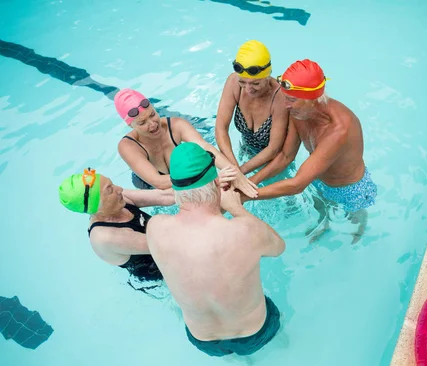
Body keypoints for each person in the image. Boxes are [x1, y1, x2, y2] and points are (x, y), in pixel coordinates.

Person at [146, 142, 285, 357]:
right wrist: (236, 208)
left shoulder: (155, 228)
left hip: (202, 338)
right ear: (215, 181)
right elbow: (278, 247)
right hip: (253, 332)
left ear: (175, 188)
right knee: (279, 341)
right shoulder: (244, 231)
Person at [243, 59, 377, 243]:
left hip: (350, 188)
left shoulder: (339, 129)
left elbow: (298, 184)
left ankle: (360, 227)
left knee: (354, 218)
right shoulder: (298, 112)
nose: (285, 105)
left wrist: (243, 196)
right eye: (285, 98)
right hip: (318, 179)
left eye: (291, 99)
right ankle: (325, 225)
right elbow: (285, 156)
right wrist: (247, 183)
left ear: (312, 99)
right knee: (321, 209)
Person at [115, 88, 258, 198]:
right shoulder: (128, 146)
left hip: (185, 175)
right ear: (130, 126)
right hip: (152, 187)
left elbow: (206, 148)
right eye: (142, 123)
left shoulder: (176, 125)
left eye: (153, 114)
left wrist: (235, 173)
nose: (153, 124)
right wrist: (209, 178)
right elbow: (157, 182)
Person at [57, 168, 175, 286]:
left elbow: (163, 196)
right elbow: (167, 245)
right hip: (156, 268)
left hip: (163, 242)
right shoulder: (106, 237)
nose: (119, 189)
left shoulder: (119, 199)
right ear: (97, 205)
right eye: (109, 190)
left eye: (112, 184)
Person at [215, 40, 289, 175]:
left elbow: (273, 148)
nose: (248, 89)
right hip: (245, 151)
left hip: (274, 164)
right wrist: (233, 167)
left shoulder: (280, 97)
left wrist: (240, 172)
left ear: (267, 76)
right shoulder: (233, 82)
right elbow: (220, 128)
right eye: (243, 82)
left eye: (255, 83)